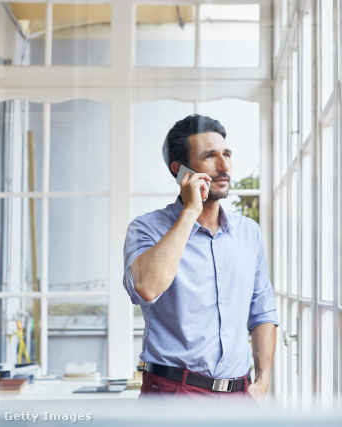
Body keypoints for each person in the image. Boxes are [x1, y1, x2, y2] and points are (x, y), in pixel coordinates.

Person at [123, 114, 278, 404]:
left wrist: (262, 381)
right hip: (173, 394)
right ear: (180, 171)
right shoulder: (146, 229)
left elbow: (263, 312)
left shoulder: (248, 233)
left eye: (227, 154)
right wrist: (190, 212)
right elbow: (145, 288)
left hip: (239, 396)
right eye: (210, 156)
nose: (224, 166)